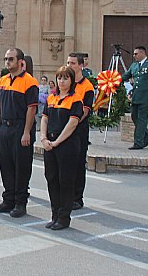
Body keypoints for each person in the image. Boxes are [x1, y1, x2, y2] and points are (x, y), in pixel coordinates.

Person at [0, 48, 39, 218]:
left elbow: (31, 109)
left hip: (20, 128)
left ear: (20, 62)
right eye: (5, 59)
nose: (7, 62)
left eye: (10, 59)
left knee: (21, 167)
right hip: (5, 128)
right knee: (6, 165)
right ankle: (8, 199)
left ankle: (20, 202)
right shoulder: (2, 81)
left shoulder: (30, 82)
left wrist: (26, 132)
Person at [40, 66, 82, 230]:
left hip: (67, 146)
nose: (61, 81)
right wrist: (43, 138)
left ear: (71, 81)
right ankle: (55, 214)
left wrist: (57, 142)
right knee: (51, 178)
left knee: (65, 181)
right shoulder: (52, 98)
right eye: (59, 78)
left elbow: (72, 123)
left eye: (65, 78)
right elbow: (44, 118)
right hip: (50, 144)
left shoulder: (76, 99)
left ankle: (64, 217)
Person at [121, 46, 148, 150]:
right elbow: (125, 76)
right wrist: (112, 80)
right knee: (134, 116)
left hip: (147, 97)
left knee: (141, 119)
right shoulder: (134, 66)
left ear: (142, 53)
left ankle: (138, 142)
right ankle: (147, 138)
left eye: (136, 54)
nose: (134, 56)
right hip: (136, 97)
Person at [66, 53, 95, 210]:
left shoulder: (87, 86)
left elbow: (85, 110)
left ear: (81, 65)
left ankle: (77, 197)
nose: (69, 65)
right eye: (68, 62)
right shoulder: (65, 83)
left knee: (77, 164)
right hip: (64, 129)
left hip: (78, 130)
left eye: (73, 63)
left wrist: (72, 122)